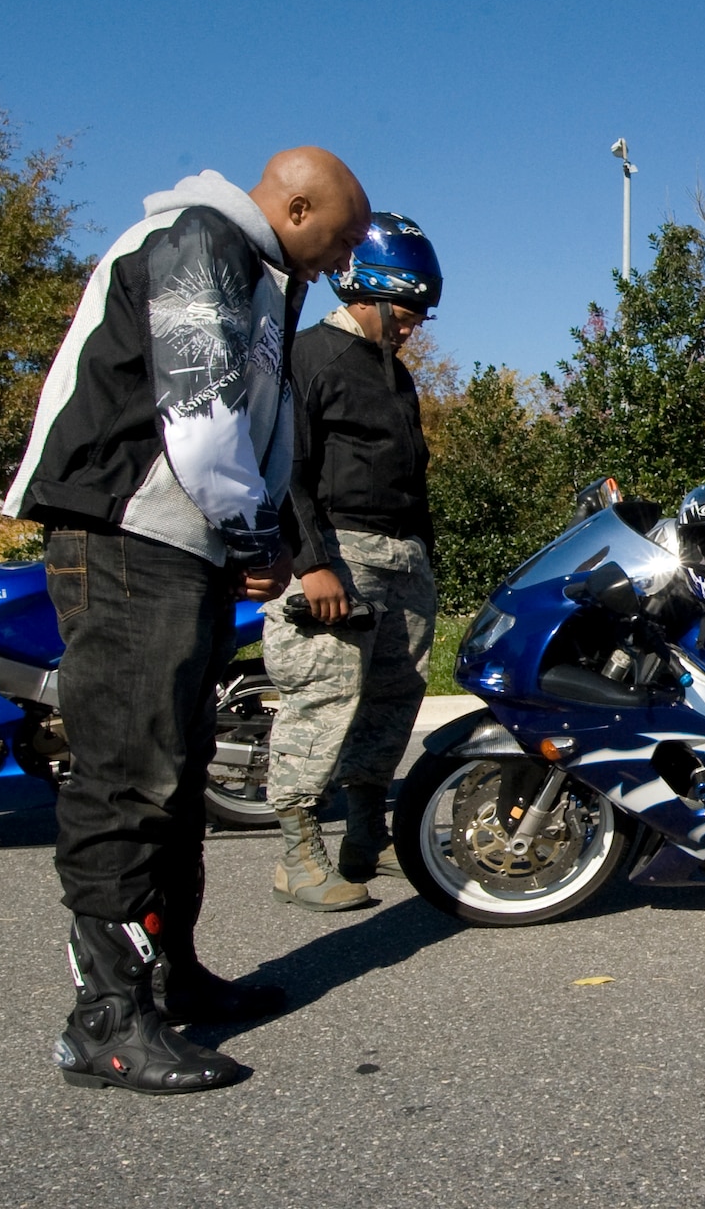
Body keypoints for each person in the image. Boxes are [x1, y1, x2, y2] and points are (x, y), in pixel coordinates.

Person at [5, 149, 371, 1092]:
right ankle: (105, 1021)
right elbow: (201, 417)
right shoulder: (201, 242)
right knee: (127, 777)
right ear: (292, 206)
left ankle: (169, 978)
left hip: (183, 545)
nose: (338, 268)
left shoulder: (255, 271)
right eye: (334, 244)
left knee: (173, 774)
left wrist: (268, 533)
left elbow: (262, 428)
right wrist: (254, 535)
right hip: (130, 537)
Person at [264, 213, 442, 912]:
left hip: (402, 558)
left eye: (420, 315)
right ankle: (297, 855)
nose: (412, 327)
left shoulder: (394, 376)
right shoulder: (312, 357)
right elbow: (288, 469)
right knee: (323, 695)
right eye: (405, 311)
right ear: (363, 290)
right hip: (339, 550)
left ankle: (366, 838)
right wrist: (312, 564)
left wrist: (424, 556)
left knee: (392, 700)